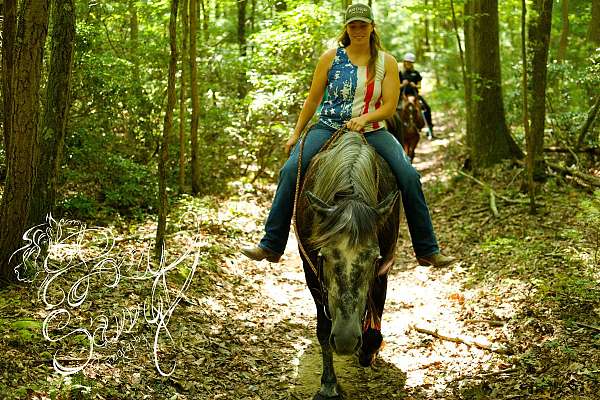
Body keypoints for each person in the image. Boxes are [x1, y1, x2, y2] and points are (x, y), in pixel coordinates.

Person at [241, 3, 455, 267]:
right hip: (329, 126)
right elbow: (312, 101)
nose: (358, 30)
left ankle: (427, 249)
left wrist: (364, 118)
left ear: (372, 27)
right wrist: (295, 134)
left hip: (373, 130)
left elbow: (389, 106)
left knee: (409, 175)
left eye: (362, 25)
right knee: (289, 171)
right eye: (353, 26)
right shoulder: (330, 58)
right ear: (347, 28)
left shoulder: (386, 62)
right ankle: (271, 244)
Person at [400, 52, 435, 139]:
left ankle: (430, 130)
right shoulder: (400, 73)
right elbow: (396, 86)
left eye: (410, 62)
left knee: (427, 108)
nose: (408, 64)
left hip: (415, 95)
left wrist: (414, 85)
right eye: (407, 62)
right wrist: (402, 85)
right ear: (404, 62)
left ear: (412, 64)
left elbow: (419, 85)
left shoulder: (416, 73)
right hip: (402, 96)